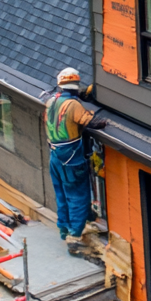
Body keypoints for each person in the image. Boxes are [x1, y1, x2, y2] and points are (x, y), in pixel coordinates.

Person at [46, 67, 107, 254]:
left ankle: (64, 229)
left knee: (62, 195)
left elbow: (69, 100)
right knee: (78, 197)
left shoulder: (51, 101)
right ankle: (74, 237)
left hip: (55, 158)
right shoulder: (73, 105)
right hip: (72, 159)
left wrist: (80, 95)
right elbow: (92, 122)